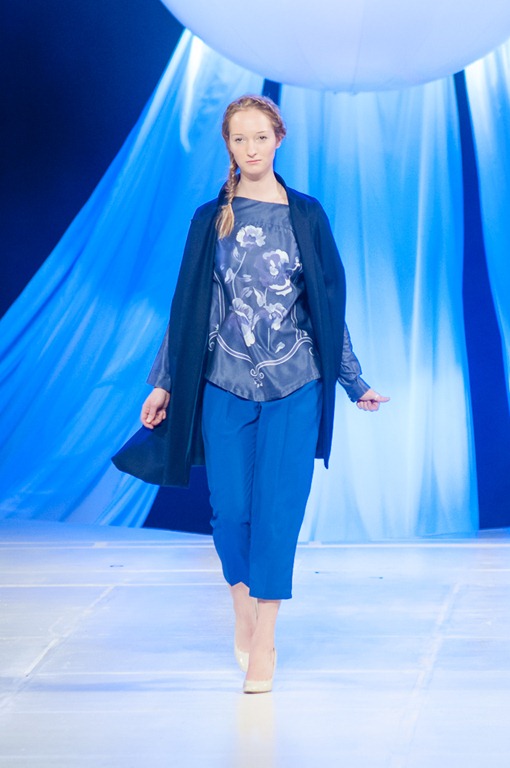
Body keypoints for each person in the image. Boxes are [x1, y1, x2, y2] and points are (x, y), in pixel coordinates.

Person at [113, 95, 389, 694]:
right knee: (231, 509)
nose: (251, 148)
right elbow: (187, 309)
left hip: (297, 383)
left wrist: (353, 380)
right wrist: (163, 382)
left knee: (278, 511)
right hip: (225, 381)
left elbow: (328, 307)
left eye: (261, 137)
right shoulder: (210, 219)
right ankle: (242, 603)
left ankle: (265, 639)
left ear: (278, 139)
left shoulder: (306, 216)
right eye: (239, 139)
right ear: (229, 146)